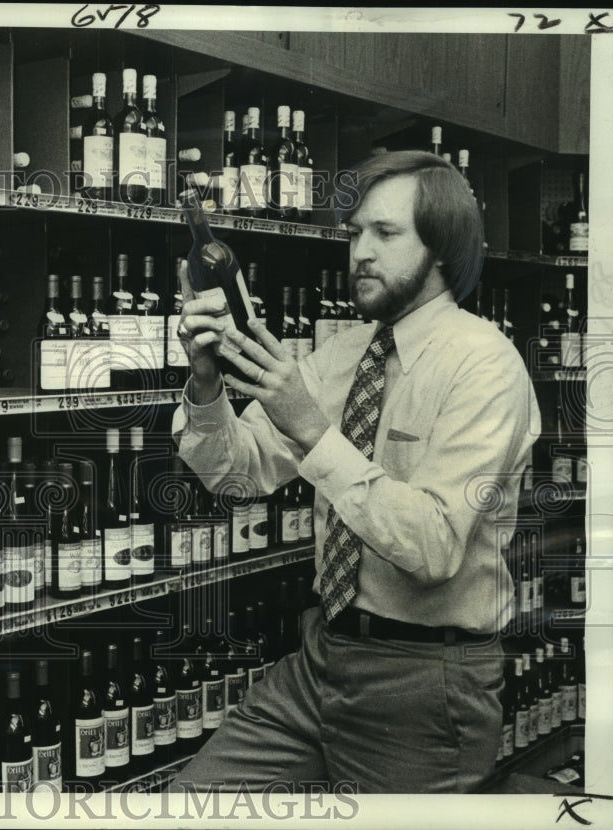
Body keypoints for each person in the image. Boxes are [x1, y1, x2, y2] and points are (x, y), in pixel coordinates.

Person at [169, 150, 540, 794]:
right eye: (355, 233)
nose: (360, 252)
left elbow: (433, 548)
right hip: (321, 656)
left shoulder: (485, 366)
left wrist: (313, 429)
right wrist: (206, 384)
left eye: (386, 234)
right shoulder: (343, 355)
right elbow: (237, 476)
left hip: (427, 679)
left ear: (444, 248)